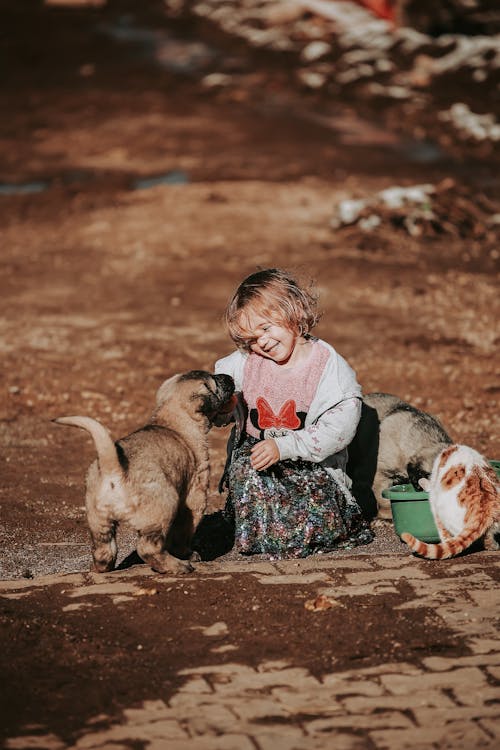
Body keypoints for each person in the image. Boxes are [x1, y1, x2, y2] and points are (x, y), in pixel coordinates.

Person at [214, 268, 373, 559]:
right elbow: (223, 383)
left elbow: (341, 425)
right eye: (251, 338)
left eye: (265, 328)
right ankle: (259, 532)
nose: (260, 342)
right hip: (261, 460)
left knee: (313, 506)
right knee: (247, 469)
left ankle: (287, 533)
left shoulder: (327, 367)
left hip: (312, 467)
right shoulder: (249, 361)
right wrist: (225, 405)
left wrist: (285, 446)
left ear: (294, 312)